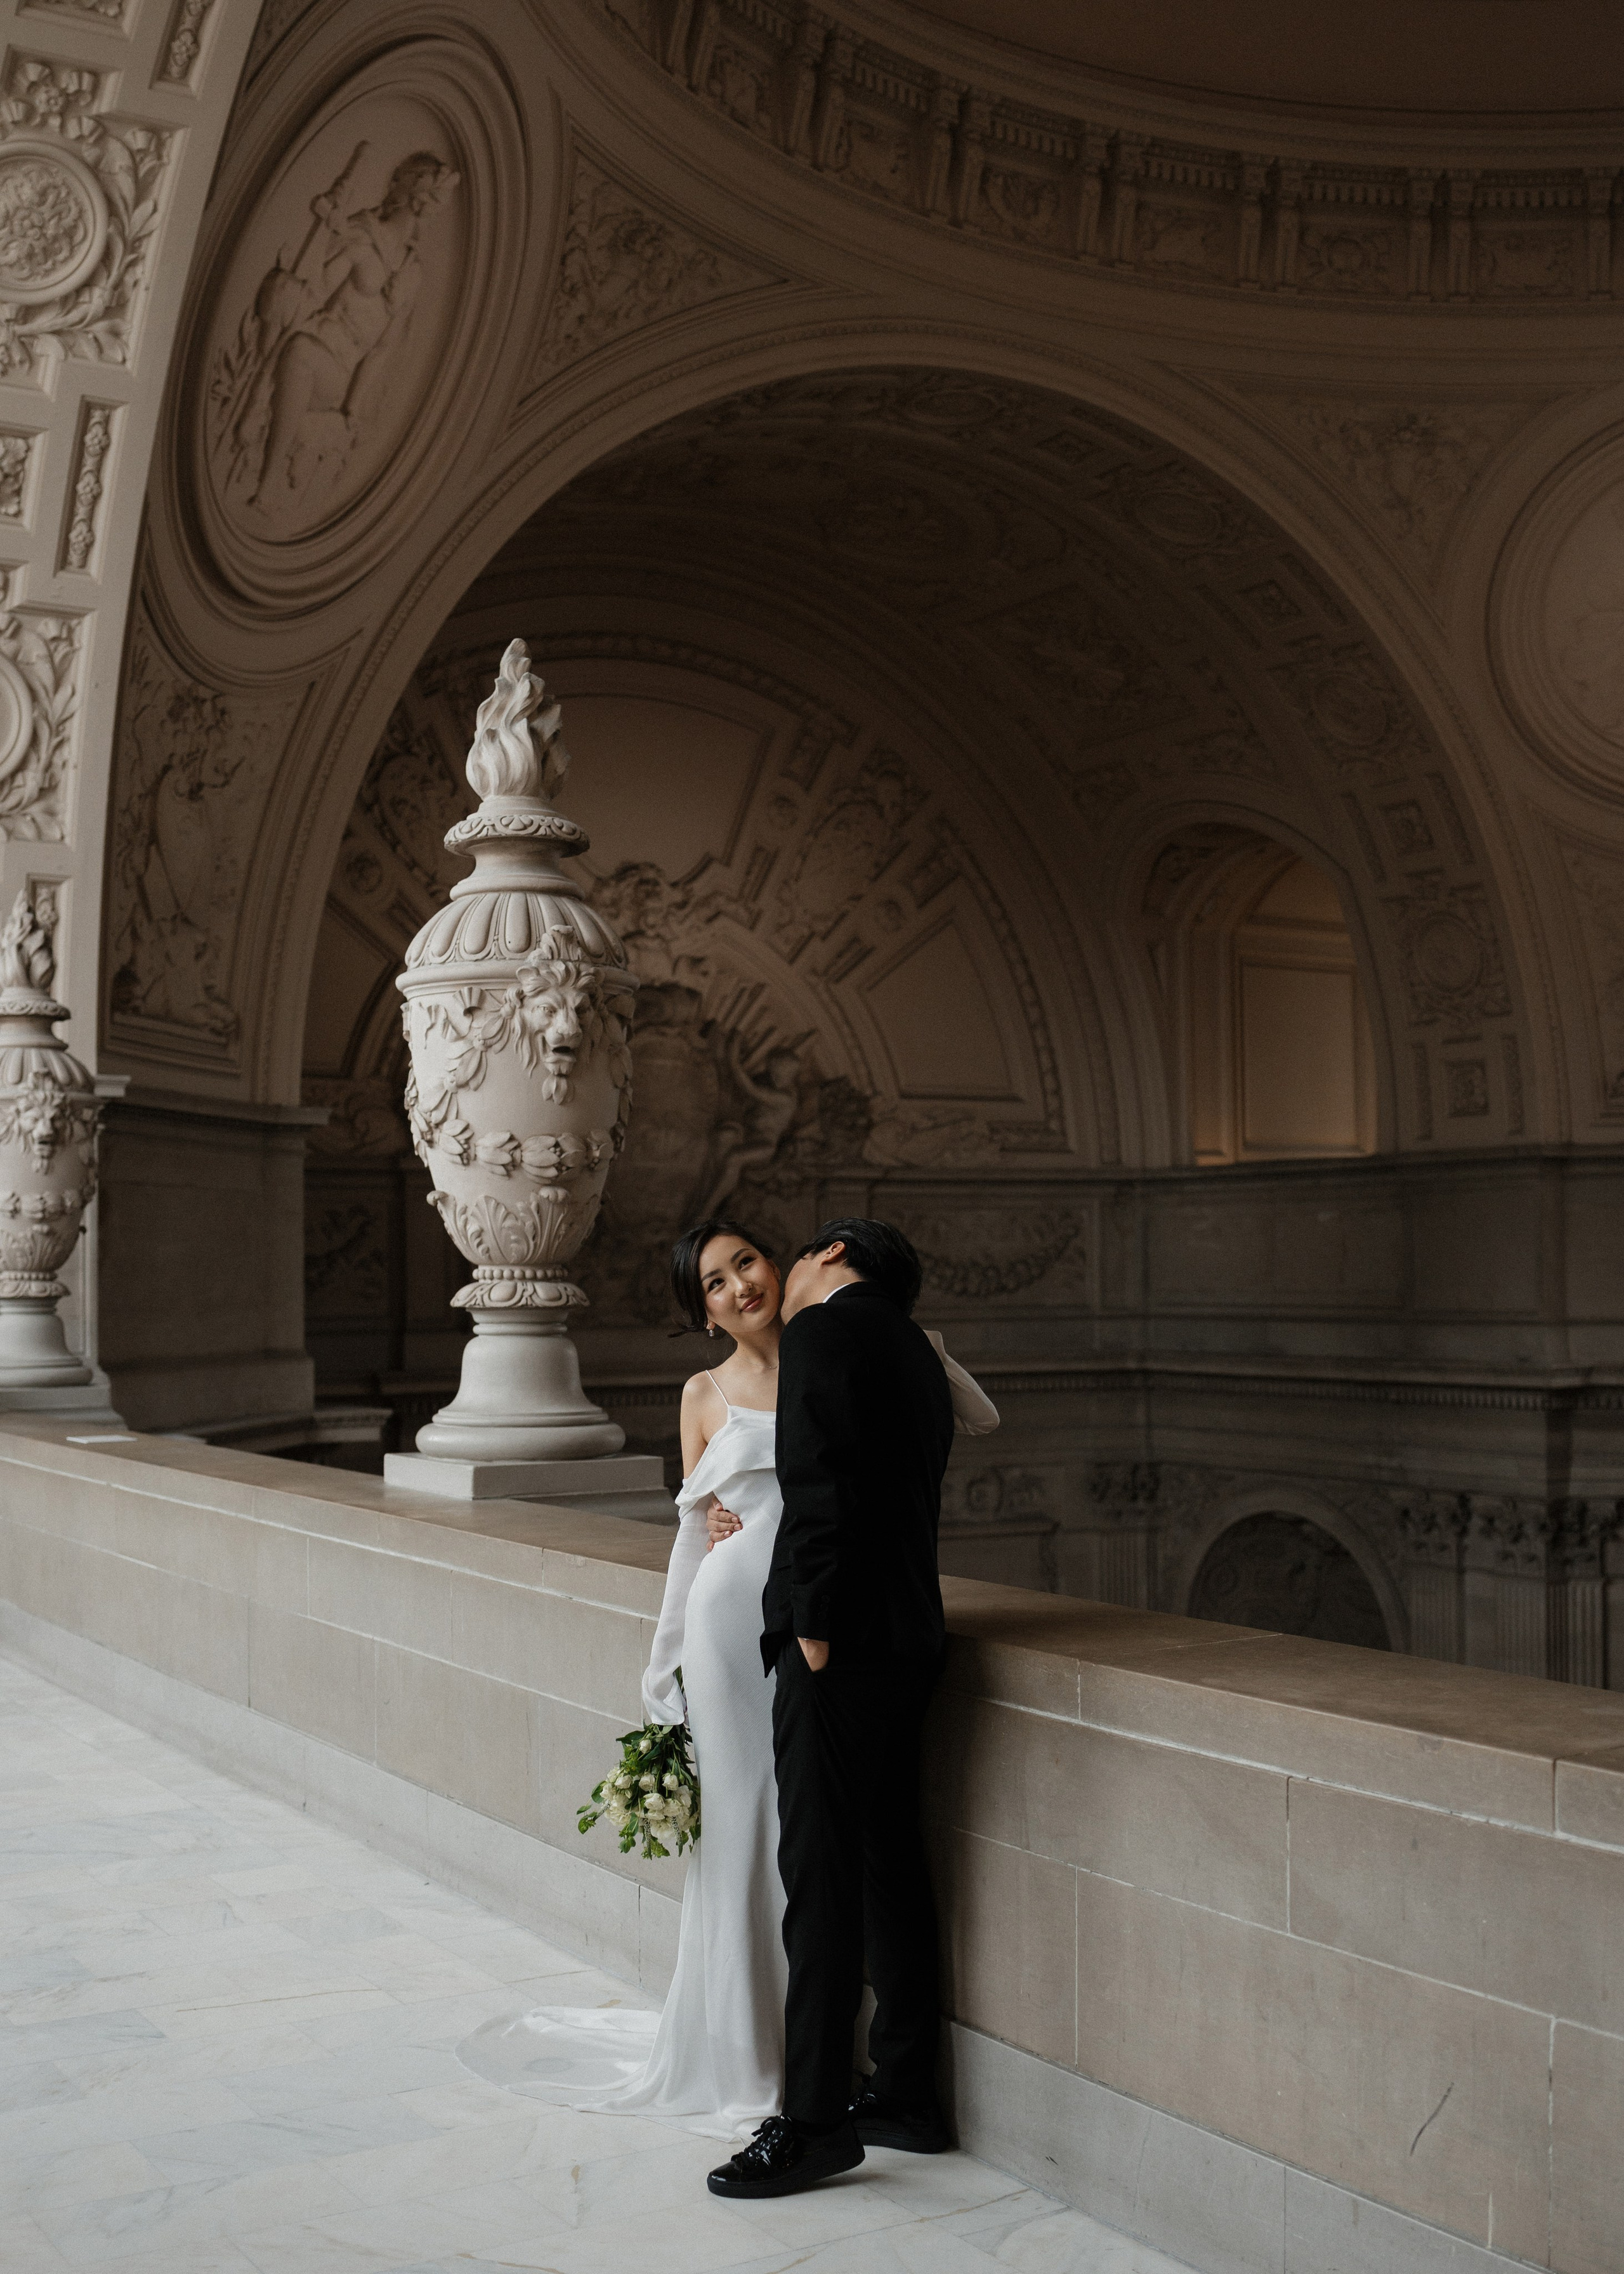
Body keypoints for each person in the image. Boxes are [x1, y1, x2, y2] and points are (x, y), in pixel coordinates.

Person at [455, 1215, 995, 2139]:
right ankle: (756, 2056)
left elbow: (952, 1424)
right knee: (751, 1831)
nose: (739, 1284)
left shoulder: (847, 1338)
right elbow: (689, 1534)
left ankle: (821, 2071)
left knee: (824, 1844)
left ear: (786, 1262)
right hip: (732, 1628)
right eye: (714, 1282)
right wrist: (661, 1668)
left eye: (745, 1261)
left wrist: (919, 1337)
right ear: (703, 1313)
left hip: (815, 1625)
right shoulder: (704, 1392)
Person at [705, 1219, 961, 2200]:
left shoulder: (825, 1328)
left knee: (818, 1877)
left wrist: (811, 1625)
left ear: (833, 1256)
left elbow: (822, 1480)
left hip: (840, 1644)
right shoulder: (913, 1348)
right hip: (909, 1637)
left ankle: (812, 2120)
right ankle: (903, 2092)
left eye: (798, 1256)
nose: (787, 1271)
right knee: (888, 1859)